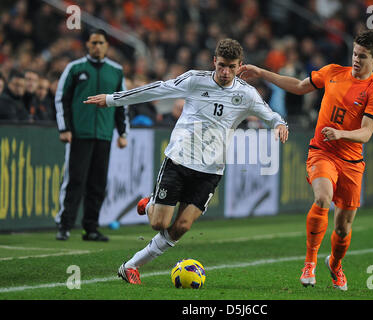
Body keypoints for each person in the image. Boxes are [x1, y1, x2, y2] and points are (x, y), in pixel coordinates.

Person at [84, 38, 289, 284]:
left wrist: (279, 125)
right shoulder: (195, 80)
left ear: (240, 66)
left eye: (231, 67)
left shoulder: (246, 94)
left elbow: (271, 115)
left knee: (181, 227)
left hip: (211, 171)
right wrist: (111, 99)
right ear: (214, 61)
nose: (225, 72)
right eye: (221, 65)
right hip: (179, 160)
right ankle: (151, 203)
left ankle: (131, 266)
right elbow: (155, 89)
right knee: (158, 223)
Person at [239, 30, 373, 291]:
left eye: (362, 57)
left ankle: (335, 264)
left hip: (351, 162)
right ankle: (309, 264)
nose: (356, 60)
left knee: (342, 228)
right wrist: (262, 73)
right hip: (322, 152)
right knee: (322, 198)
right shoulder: (332, 72)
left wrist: (341, 133)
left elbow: (366, 133)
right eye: (354, 53)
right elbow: (298, 86)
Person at [54, 29, 129, 241]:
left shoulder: (116, 71)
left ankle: (91, 228)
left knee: (97, 183)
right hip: (80, 134)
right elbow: (62, 99)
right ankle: (64, 224)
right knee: (75, 180)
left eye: (101, 43)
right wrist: (65, 128)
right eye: (94, 42)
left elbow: (121, 103)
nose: (97, 46)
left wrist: (122, 132)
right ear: (87, 44)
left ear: (107, 46)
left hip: (104, 135)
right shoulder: (75, 68)